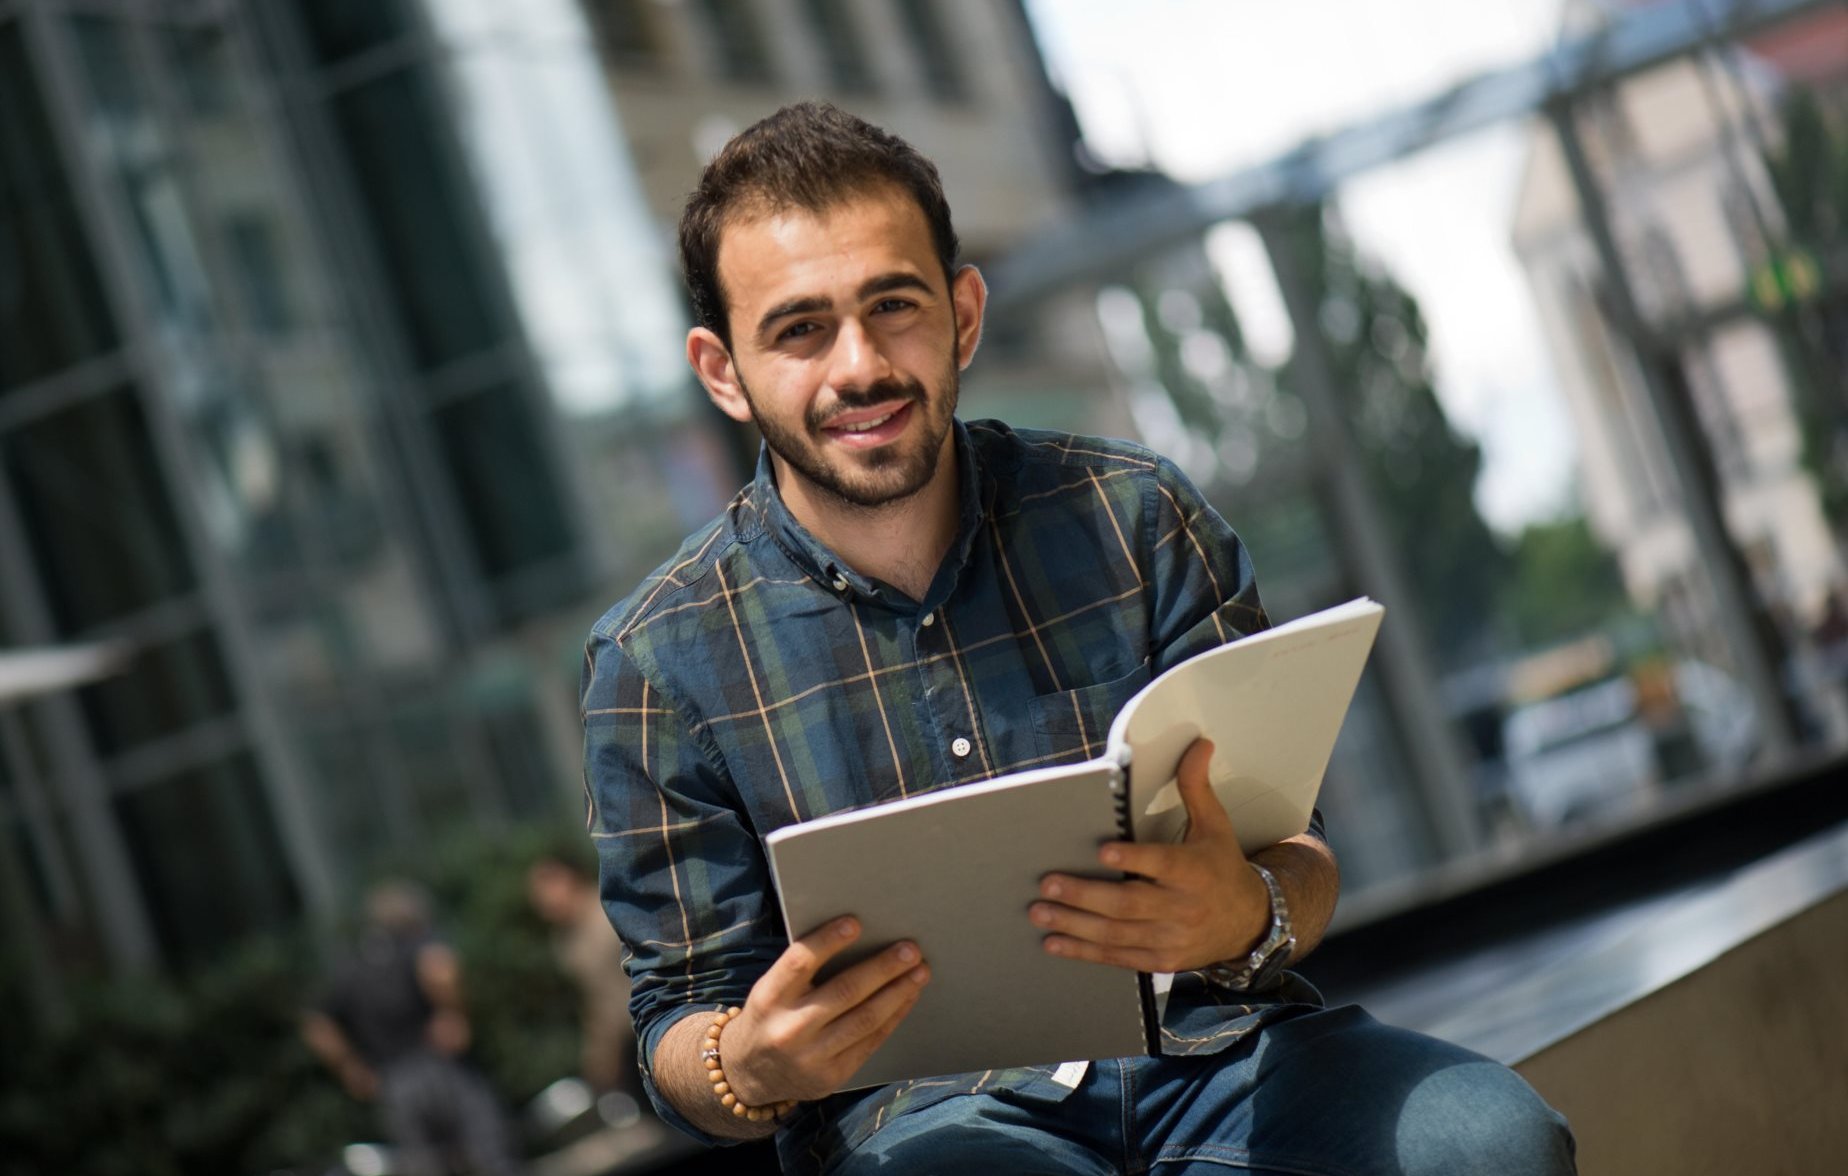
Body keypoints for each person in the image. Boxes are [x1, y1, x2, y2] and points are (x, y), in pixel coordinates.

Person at [581, 101, 1576, 1175]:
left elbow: (1299, 857)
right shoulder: (653, 666)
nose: (859, 365)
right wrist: (752, 1065)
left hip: (1221, 1059)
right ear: (722, 369)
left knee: (1493, 1142)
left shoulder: (1134, 517)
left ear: (963, 313)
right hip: (926, 1129)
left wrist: (1249, 910)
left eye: (894, 305)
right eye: (799, 328)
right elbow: (676, 1023)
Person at [302, 881, 521, 1176]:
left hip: (393, 1082)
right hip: (440, 1063)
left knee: (427, 1166)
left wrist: (349, 1066)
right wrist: (452, 1014)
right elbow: (440, 969)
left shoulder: (350, 966)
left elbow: (317, 1024)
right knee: (491, 1155)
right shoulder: (415, 941)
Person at [526, 848, 642, 1106]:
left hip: (654, 1024)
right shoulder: (564, 941)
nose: (542, 900)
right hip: (625, 1045)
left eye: (547, 885)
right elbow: (595, 1004)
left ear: (569, 878)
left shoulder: (612, 911)